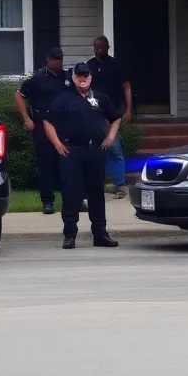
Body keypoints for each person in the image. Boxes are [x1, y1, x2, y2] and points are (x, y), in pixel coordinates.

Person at [44, 62, 122, 249]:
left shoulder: (100, 98)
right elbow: (48, 121)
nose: (83, 78)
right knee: (71, 194)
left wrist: (110, 137)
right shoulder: (63, 98)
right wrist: (57, 144)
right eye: (79, 75)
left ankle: (100, 234)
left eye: (85, 75)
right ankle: (69, 234)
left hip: (95, 150)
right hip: (72, 151)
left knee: (96, 193)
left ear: (91, 77)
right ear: (73, 78)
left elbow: (116, 117)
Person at [16, 47, 76, 214]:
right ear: (48, 60)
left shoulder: (68, 78)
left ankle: (72, 200)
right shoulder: (38, 79)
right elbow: (19, 96)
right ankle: (47, 201)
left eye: (61, 60)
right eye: (55, 60)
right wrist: (26, 118)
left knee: (69, 164)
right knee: (46, 164)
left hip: (65, 126)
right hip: (42, 126)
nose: (58, 63)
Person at [87, 35, 133, 198]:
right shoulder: (89, 66)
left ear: (107, 46)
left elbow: (126, 87)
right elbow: (85, 89)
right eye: (95, 47)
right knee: (97, 150)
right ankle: (97, 185)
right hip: (94, 113)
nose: (98, 49)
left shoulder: (117, 65)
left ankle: (119, 185)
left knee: (114, 149)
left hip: (113, 114)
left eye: (101, 46)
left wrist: (128, 109)